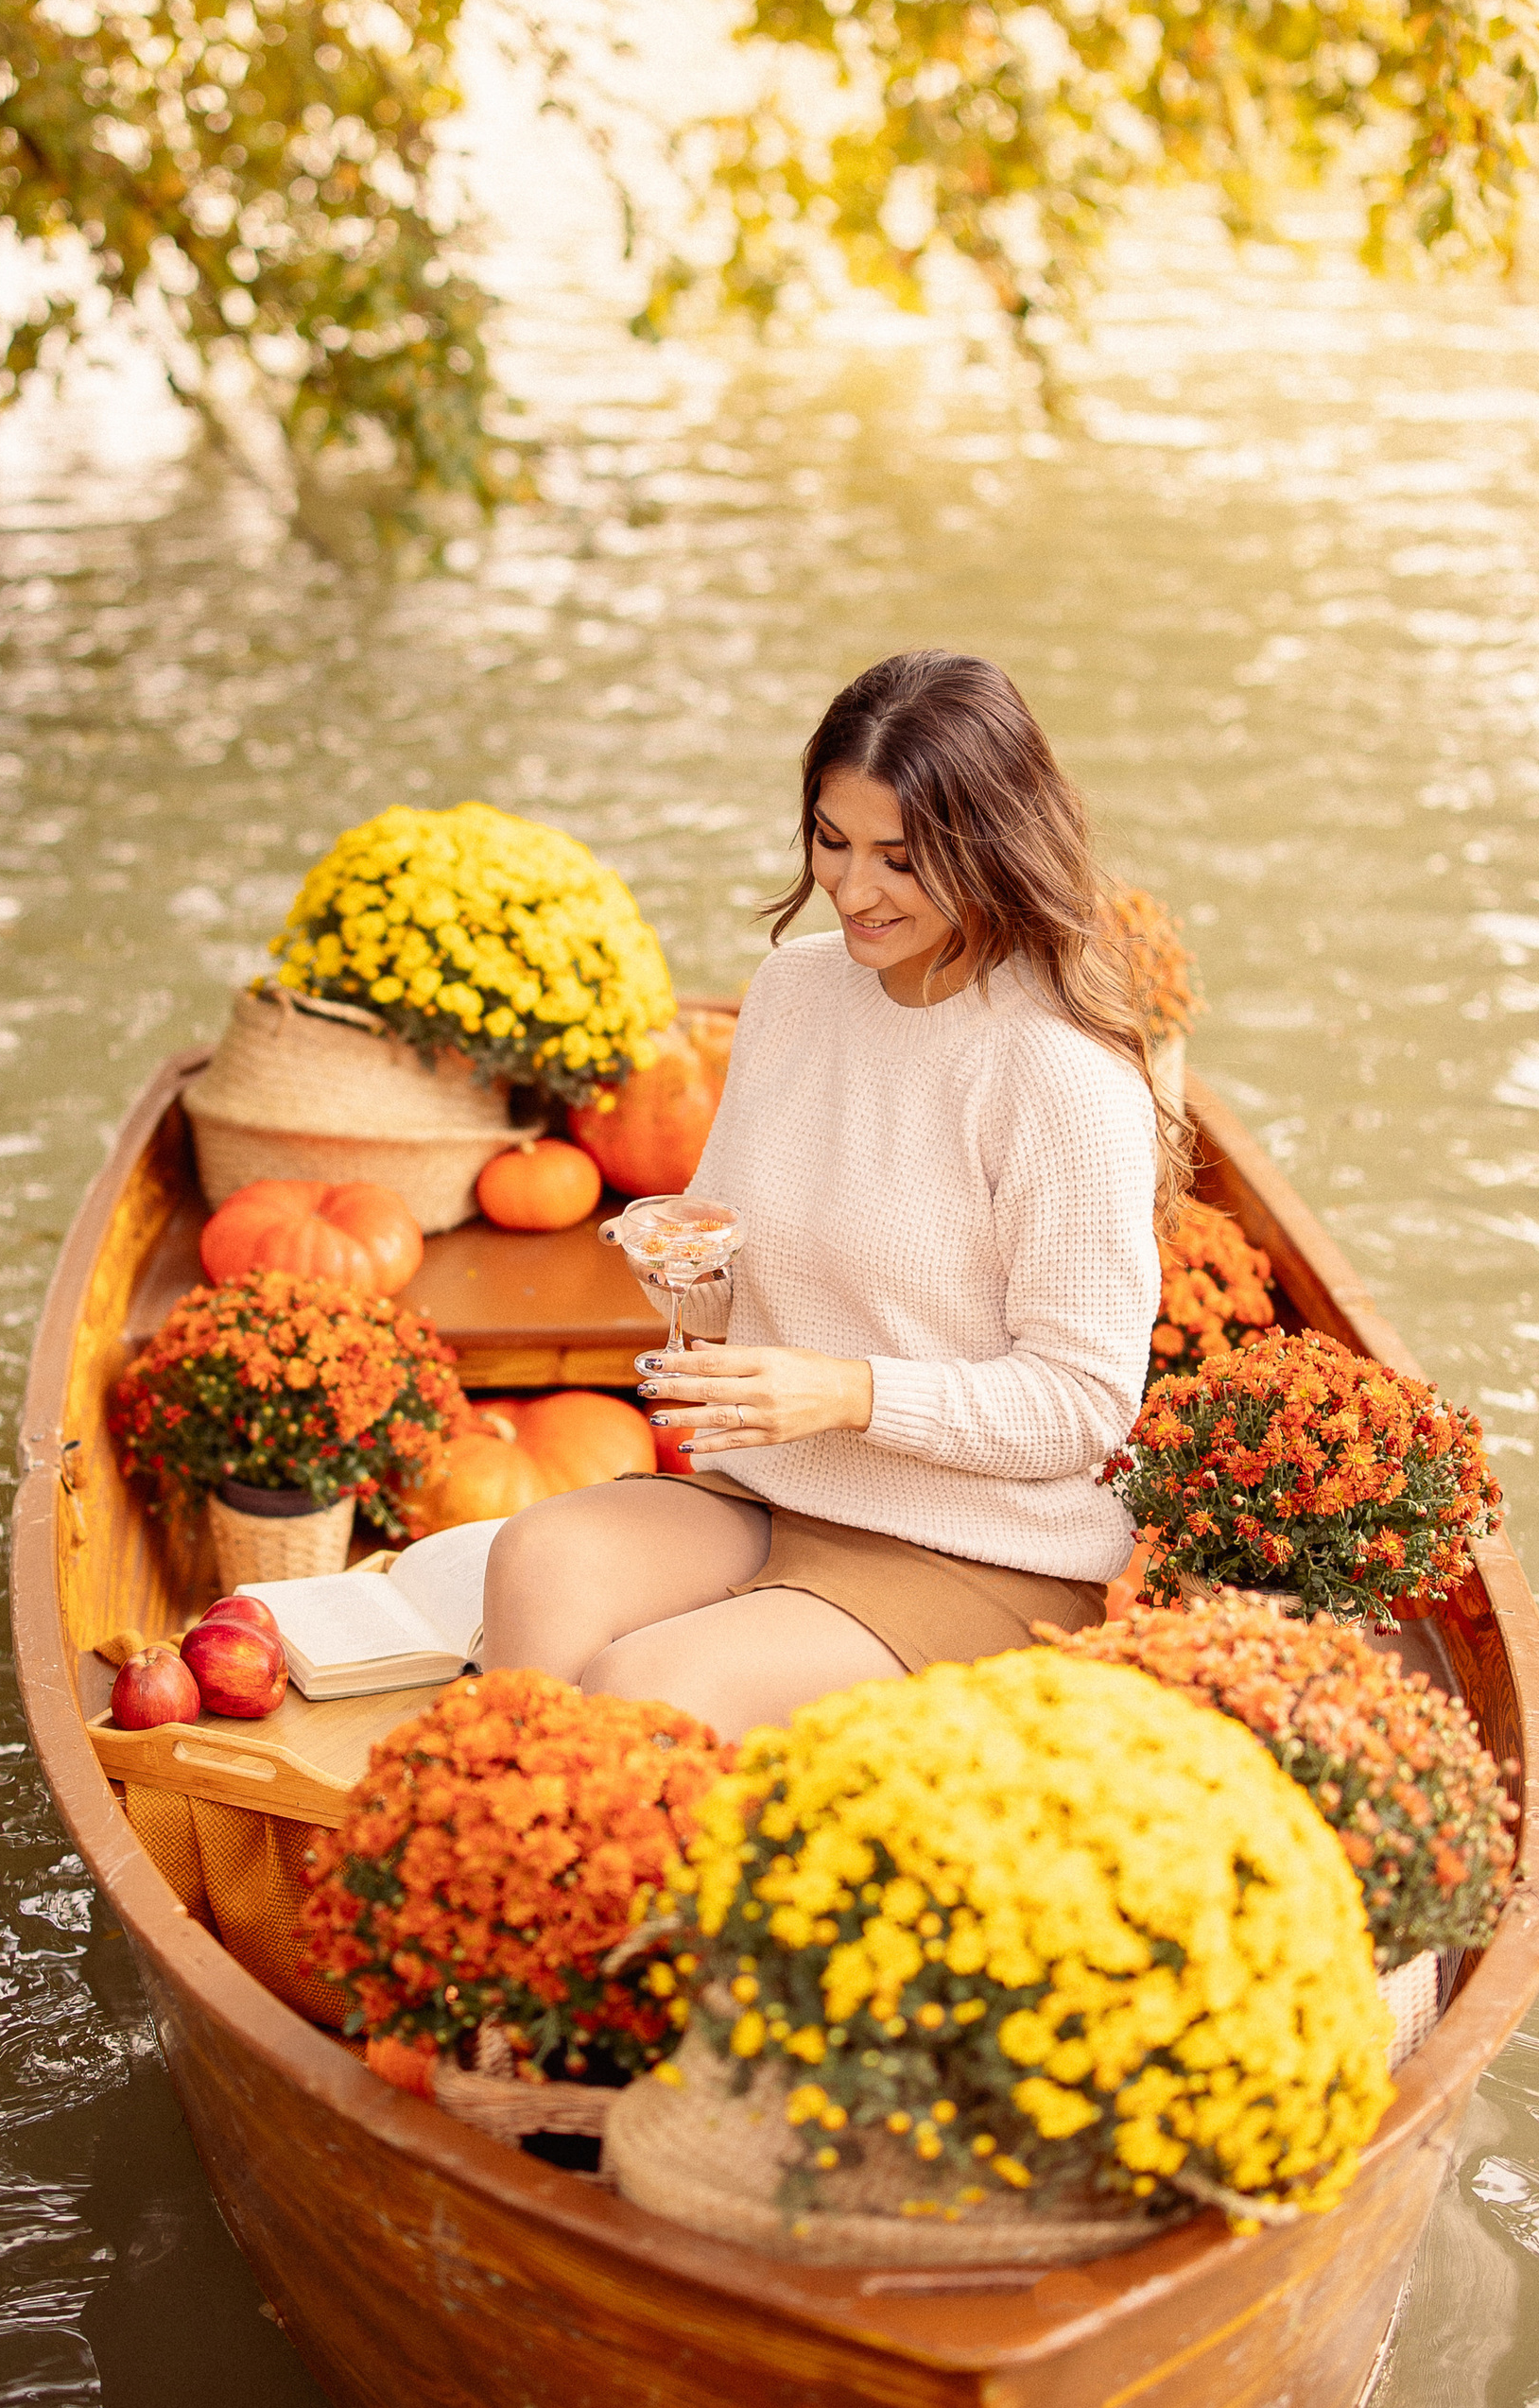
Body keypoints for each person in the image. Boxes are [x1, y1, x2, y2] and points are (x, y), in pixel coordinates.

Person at [480, 648, 1180, 1739]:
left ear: (992, 848)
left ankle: (622, 1892)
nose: (852, 890)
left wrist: (850, 1392)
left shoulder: (1061, 1077)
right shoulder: (796, 987)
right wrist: (687, 1271)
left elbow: (1086, 1405)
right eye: (831, 840)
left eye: (900, 859)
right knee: (535, 1557)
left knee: (644, 1689)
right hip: (783, 1489)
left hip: (986, 1548)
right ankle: (500, 1871)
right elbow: (729, 1243)